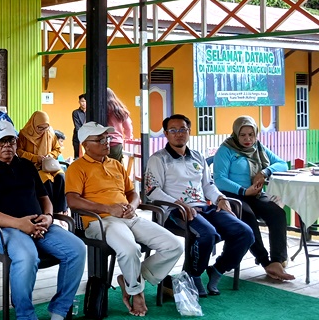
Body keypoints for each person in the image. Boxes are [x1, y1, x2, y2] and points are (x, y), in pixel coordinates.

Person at [0, 119, 86, 320]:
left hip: (37, 225)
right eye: (1, 142)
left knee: (77, 249)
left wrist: (48, 217)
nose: (7, 146)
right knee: (27, 254)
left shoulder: (26, 166)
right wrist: (19, 224)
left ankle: (59, 310)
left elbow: (44, 198)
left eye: (11, 141)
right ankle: (25, 315)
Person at [66, 121, 182, 317]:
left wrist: (132, 207)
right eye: (100, 139)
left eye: (107, 138)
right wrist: (107, 209)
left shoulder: (116, 164)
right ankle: (136, 292)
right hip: (101, 221)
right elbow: (72, 200)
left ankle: (130, 279)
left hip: (129, 217)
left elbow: (132, 193)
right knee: (130, 250)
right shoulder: (77, 167)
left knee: (174, 246)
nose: (106, 142)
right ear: (85, 144)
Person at [145, 114, 254, 296]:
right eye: (173, 130)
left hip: (203, 207)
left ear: (189, 131)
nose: (178, 134)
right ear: (166, 133)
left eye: (183, 129)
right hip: (176, 211)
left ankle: (217, 270)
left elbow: (208, 185)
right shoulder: (158, 159)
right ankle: (194, 276)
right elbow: (152, 190)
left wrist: (220, 198)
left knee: (245, 232)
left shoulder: (197, 156)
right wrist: (179, 204)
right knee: (207, 233)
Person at [213, 115, 295, 281]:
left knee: (277, 213)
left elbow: (282, 163)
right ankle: (265, 261)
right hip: (232, 196)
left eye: (251, 135)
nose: (248, 139)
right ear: (236, 134)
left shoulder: (258, 147)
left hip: (255, 194)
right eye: (243, 135)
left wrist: (264, 172)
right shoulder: (226, 149)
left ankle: (277, 261)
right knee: (248, 216)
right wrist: (244, 191)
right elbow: (219, 179)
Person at [17, 111, 67, 213]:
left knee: (61, 177)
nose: (43, 131)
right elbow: (19, 151)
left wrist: (50, 155)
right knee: (46, 180)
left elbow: (57, 149)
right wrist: (36, 158)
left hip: (49, 165)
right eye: (40, 128)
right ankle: (49, 211)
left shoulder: (50, 133)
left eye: (45, 128)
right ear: (34, 123)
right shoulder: (24, 134)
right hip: (33, 167)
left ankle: (60, 211)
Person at [106, 88, 133, 162]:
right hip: (116, 143)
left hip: (102, 142)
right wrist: (128, 137)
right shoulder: (119, 109)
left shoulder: (101, 109)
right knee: (116, 166)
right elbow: (128, 126)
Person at [71, 94, 86, 159]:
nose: (84, 103)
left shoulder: (91, 112)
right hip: (78, 138)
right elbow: (77, 127)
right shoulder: (76, 112)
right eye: (82, 101)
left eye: (85, 101)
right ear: (79, 102)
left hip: (89, 138)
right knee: (78, 157)